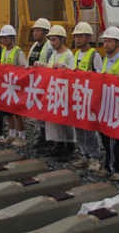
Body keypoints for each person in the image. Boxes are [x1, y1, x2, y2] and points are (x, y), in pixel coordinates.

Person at [98, 26, 119, 181]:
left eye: (109, 41)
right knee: (106, 138)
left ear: (118, 43)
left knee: (117, 140)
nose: (106, 44)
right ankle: (108, 165)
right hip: (107, 105)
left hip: (118, 106)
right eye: (105, 41)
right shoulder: (105, 60)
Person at [71, 22, 104, 171]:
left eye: (80, 36)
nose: (77, 39)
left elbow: (98, 77)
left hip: (89, 97)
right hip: (78, 97)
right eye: (76, 36)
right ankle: (83, 154)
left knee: (90, 129)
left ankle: (94, 157)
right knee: (79, 127)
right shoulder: (76, 54)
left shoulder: (94, 55)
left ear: (88, 37)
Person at [44, 24, 76, 160]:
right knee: (55, 120)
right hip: (55, 92)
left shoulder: (68, 55)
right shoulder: (54, 54)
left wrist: (64, 68)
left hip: (65, 92)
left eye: (54, 39)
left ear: (62, 39)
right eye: (51, 40)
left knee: (66, 122)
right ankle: (58, 144)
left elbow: (74, 73)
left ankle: (69, 146)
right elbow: (50, 68)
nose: (52, 43)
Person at [0, 24, 28, 147]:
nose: (3, 40)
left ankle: (22, 136)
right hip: (7, 86)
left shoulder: (18, 51)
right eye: (2, 38)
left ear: (11, 38)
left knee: (17, 113)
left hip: (16, 86)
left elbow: (23, 67)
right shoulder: (4, 50)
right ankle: (11, 134)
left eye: (5, 38)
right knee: (8, 112)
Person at [27, 18, 53, 148]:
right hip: (36, 85)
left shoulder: (49, 47)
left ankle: (48, 140)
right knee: (38, 113)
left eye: (38, 30)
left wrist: (44, 66)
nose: (34, 33)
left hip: (46, 84)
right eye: (34, 30)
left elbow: (52, 65)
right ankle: (41, 137)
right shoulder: (34, 46)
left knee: (46, 114)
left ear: (45, 32)